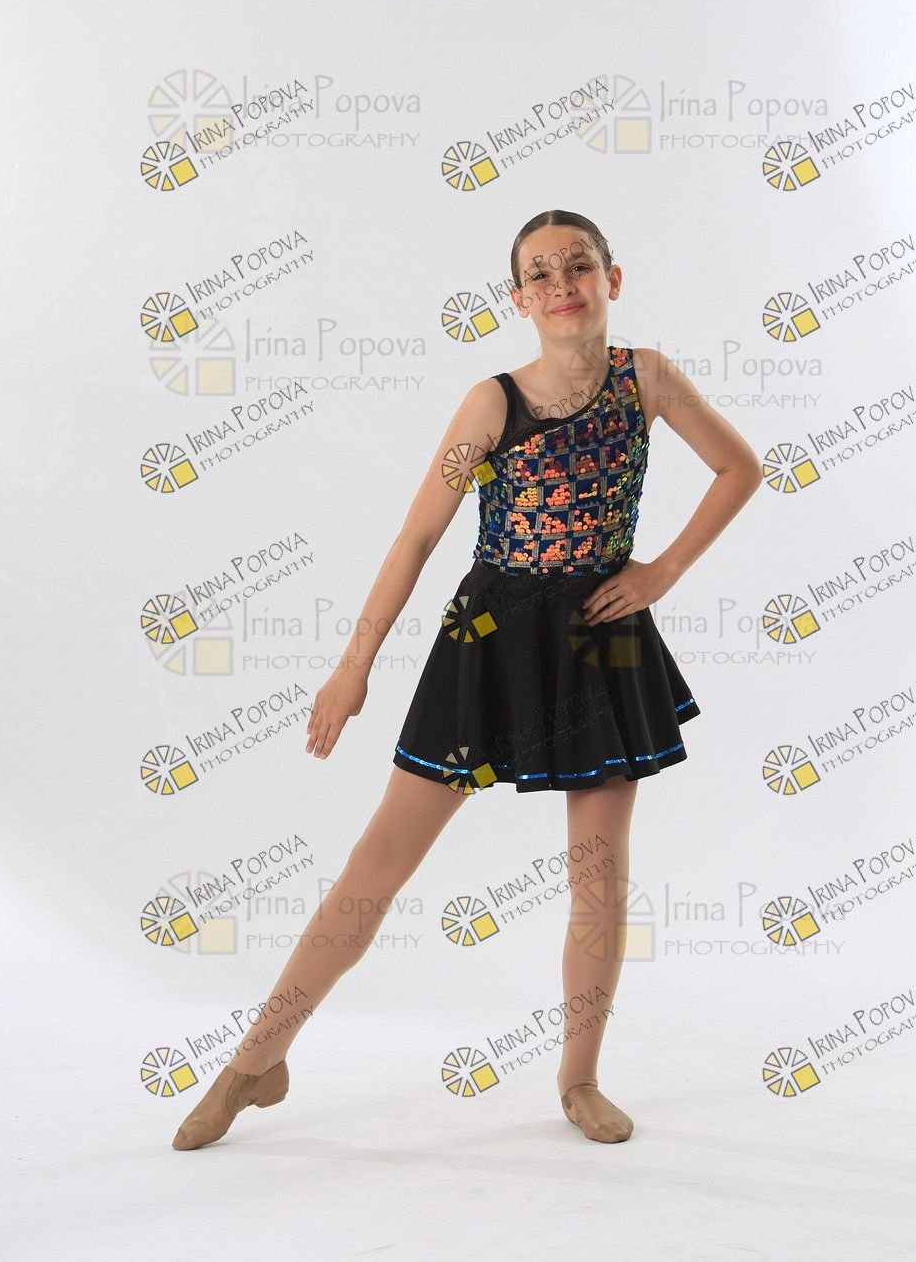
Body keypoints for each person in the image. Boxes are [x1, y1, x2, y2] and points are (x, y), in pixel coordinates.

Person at [171, 208, 763, 1152]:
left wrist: (661, 572)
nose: (562, 283)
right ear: (519, 298)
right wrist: (352, 668)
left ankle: (579, 1077)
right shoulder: (492, 403)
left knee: (600, 875)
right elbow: (416, 537)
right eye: (541, 273)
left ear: (612, 279)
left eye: (579, 265)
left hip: (603, 633)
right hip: (489, 634)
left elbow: (740, 467)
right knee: (380, 859)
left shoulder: (647, 378)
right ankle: (255, 1061)